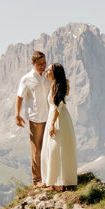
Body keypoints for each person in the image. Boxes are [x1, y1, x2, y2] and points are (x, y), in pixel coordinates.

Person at [15, 51, 51, 187]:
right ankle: (37, 180)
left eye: (44, 63)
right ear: (33, 63)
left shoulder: (48, 76)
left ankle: (48, 176)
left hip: (49, 116)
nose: (43, 66)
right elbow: (19, 97)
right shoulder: (26, 79)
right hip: (35, 118)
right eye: (40, 64)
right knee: (36, 150)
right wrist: (17, 115)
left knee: (48, 147)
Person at [41, 63, 77, 191]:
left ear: (55, 72)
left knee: (57, 148)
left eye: (49, 70)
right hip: (54, 117)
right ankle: (54, 181)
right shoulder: (55, 84)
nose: (46, 72)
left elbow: (59, 105)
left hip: (58, 118)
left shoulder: (59, 85)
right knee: (53, 149)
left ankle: (59, 182)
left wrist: (51, 124)